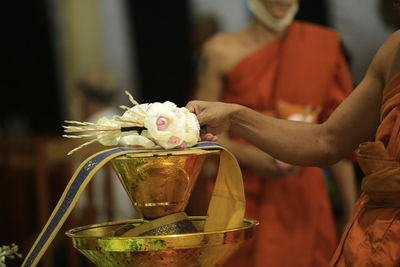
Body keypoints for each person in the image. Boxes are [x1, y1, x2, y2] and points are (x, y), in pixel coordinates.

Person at [186, 1, 400, 265]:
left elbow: (341, 142)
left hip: (303, 191)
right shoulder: (218, 50)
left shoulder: (322, 46)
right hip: (243, 187)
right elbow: (328, 139)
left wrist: (348, 209)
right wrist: (251, 148)